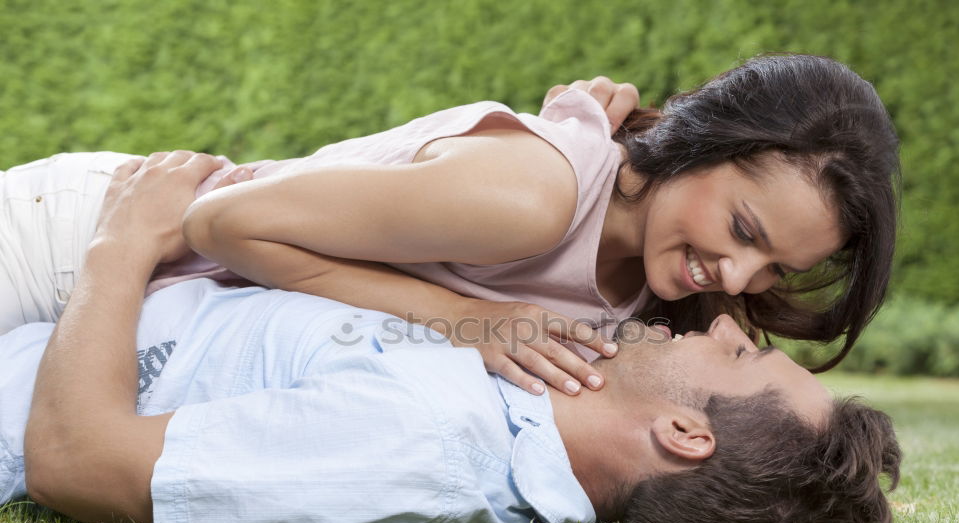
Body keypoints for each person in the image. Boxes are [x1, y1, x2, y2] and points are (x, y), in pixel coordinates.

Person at [5, 152, 902, 523]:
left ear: (683, 432)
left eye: (739, 358)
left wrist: (118, 246)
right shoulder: (526, 397)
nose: (723, 320)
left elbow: (78, 464)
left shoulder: (427, 442)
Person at [0, 53, 900, 399]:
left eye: (774, 267)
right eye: (743, 227)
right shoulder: (532, 199)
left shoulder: (652, 291)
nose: (737, 279)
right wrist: (464, 321)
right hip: (86, 242)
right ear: (703, 139)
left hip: (142, 325)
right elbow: (225, 224)